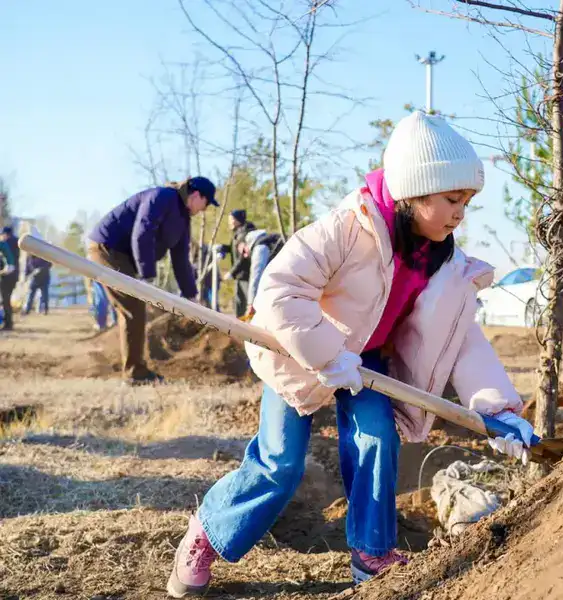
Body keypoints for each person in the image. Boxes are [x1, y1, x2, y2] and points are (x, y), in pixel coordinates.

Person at [166, 111, 535, 598]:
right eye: (452, 199)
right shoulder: (347, 228)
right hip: (297, 352)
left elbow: (460, 338)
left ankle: (372, 554)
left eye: (466, 202)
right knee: (280, 464)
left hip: (368, 363)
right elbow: (280, 291)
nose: (460, 213)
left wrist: (496, 406)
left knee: (377, 441)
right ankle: (207, 535)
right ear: (414, 190)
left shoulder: (442, 259)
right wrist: (325, 352)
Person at [86, 177, 218, 385]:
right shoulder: (163, 197)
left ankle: (135, 367)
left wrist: (191, 295)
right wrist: (146, 275)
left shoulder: (183, 220)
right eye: (207, 202)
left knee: (136, 308)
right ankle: (134, 373)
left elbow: (181, 259)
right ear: (196, 195)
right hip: (108, 249)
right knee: (133, 307)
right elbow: (142, 232)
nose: (205, 209)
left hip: (125, 256)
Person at [234, 228, 283, 315]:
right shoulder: (269, 242)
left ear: (246, 243)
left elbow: (256, 276)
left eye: (243, 251)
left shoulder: (260, 247)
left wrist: (251, 304)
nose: (245, 256)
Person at [222, 209, 255, 317]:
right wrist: (223, 248)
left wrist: (232, 272)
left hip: (245, 275)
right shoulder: (238, 233)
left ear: (238, 220)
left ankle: (244, 329)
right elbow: (235, 249)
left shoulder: (244, 234)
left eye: (231, 219)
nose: (229, 222)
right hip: (241, 275)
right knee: (240, 303)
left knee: (244, 303)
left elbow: (243, 257)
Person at [0, 226, 20, 331]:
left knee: (5, 300)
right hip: (15, 274)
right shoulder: (17, 242)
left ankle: (8, 323)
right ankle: (8, 321)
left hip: (7, 274)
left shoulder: (6, 242)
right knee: (6, 299)